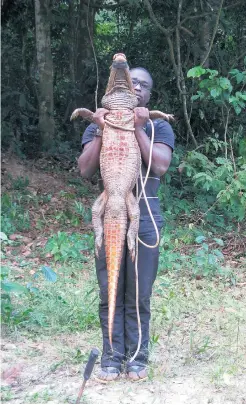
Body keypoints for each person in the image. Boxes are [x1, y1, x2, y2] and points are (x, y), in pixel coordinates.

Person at [78, 67, 175, 382]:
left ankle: (136, 358)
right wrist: (99, 127)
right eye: (132, 82)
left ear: (148, 94)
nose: (137, 87)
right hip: (110, 212)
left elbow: (158, 166)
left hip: (144, 217)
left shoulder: (157, 125)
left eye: (144, 85)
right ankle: (111, 357)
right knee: (110, 289)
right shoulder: (101, 121)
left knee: (139, 292)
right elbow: (85, 169)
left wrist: (137, 128)